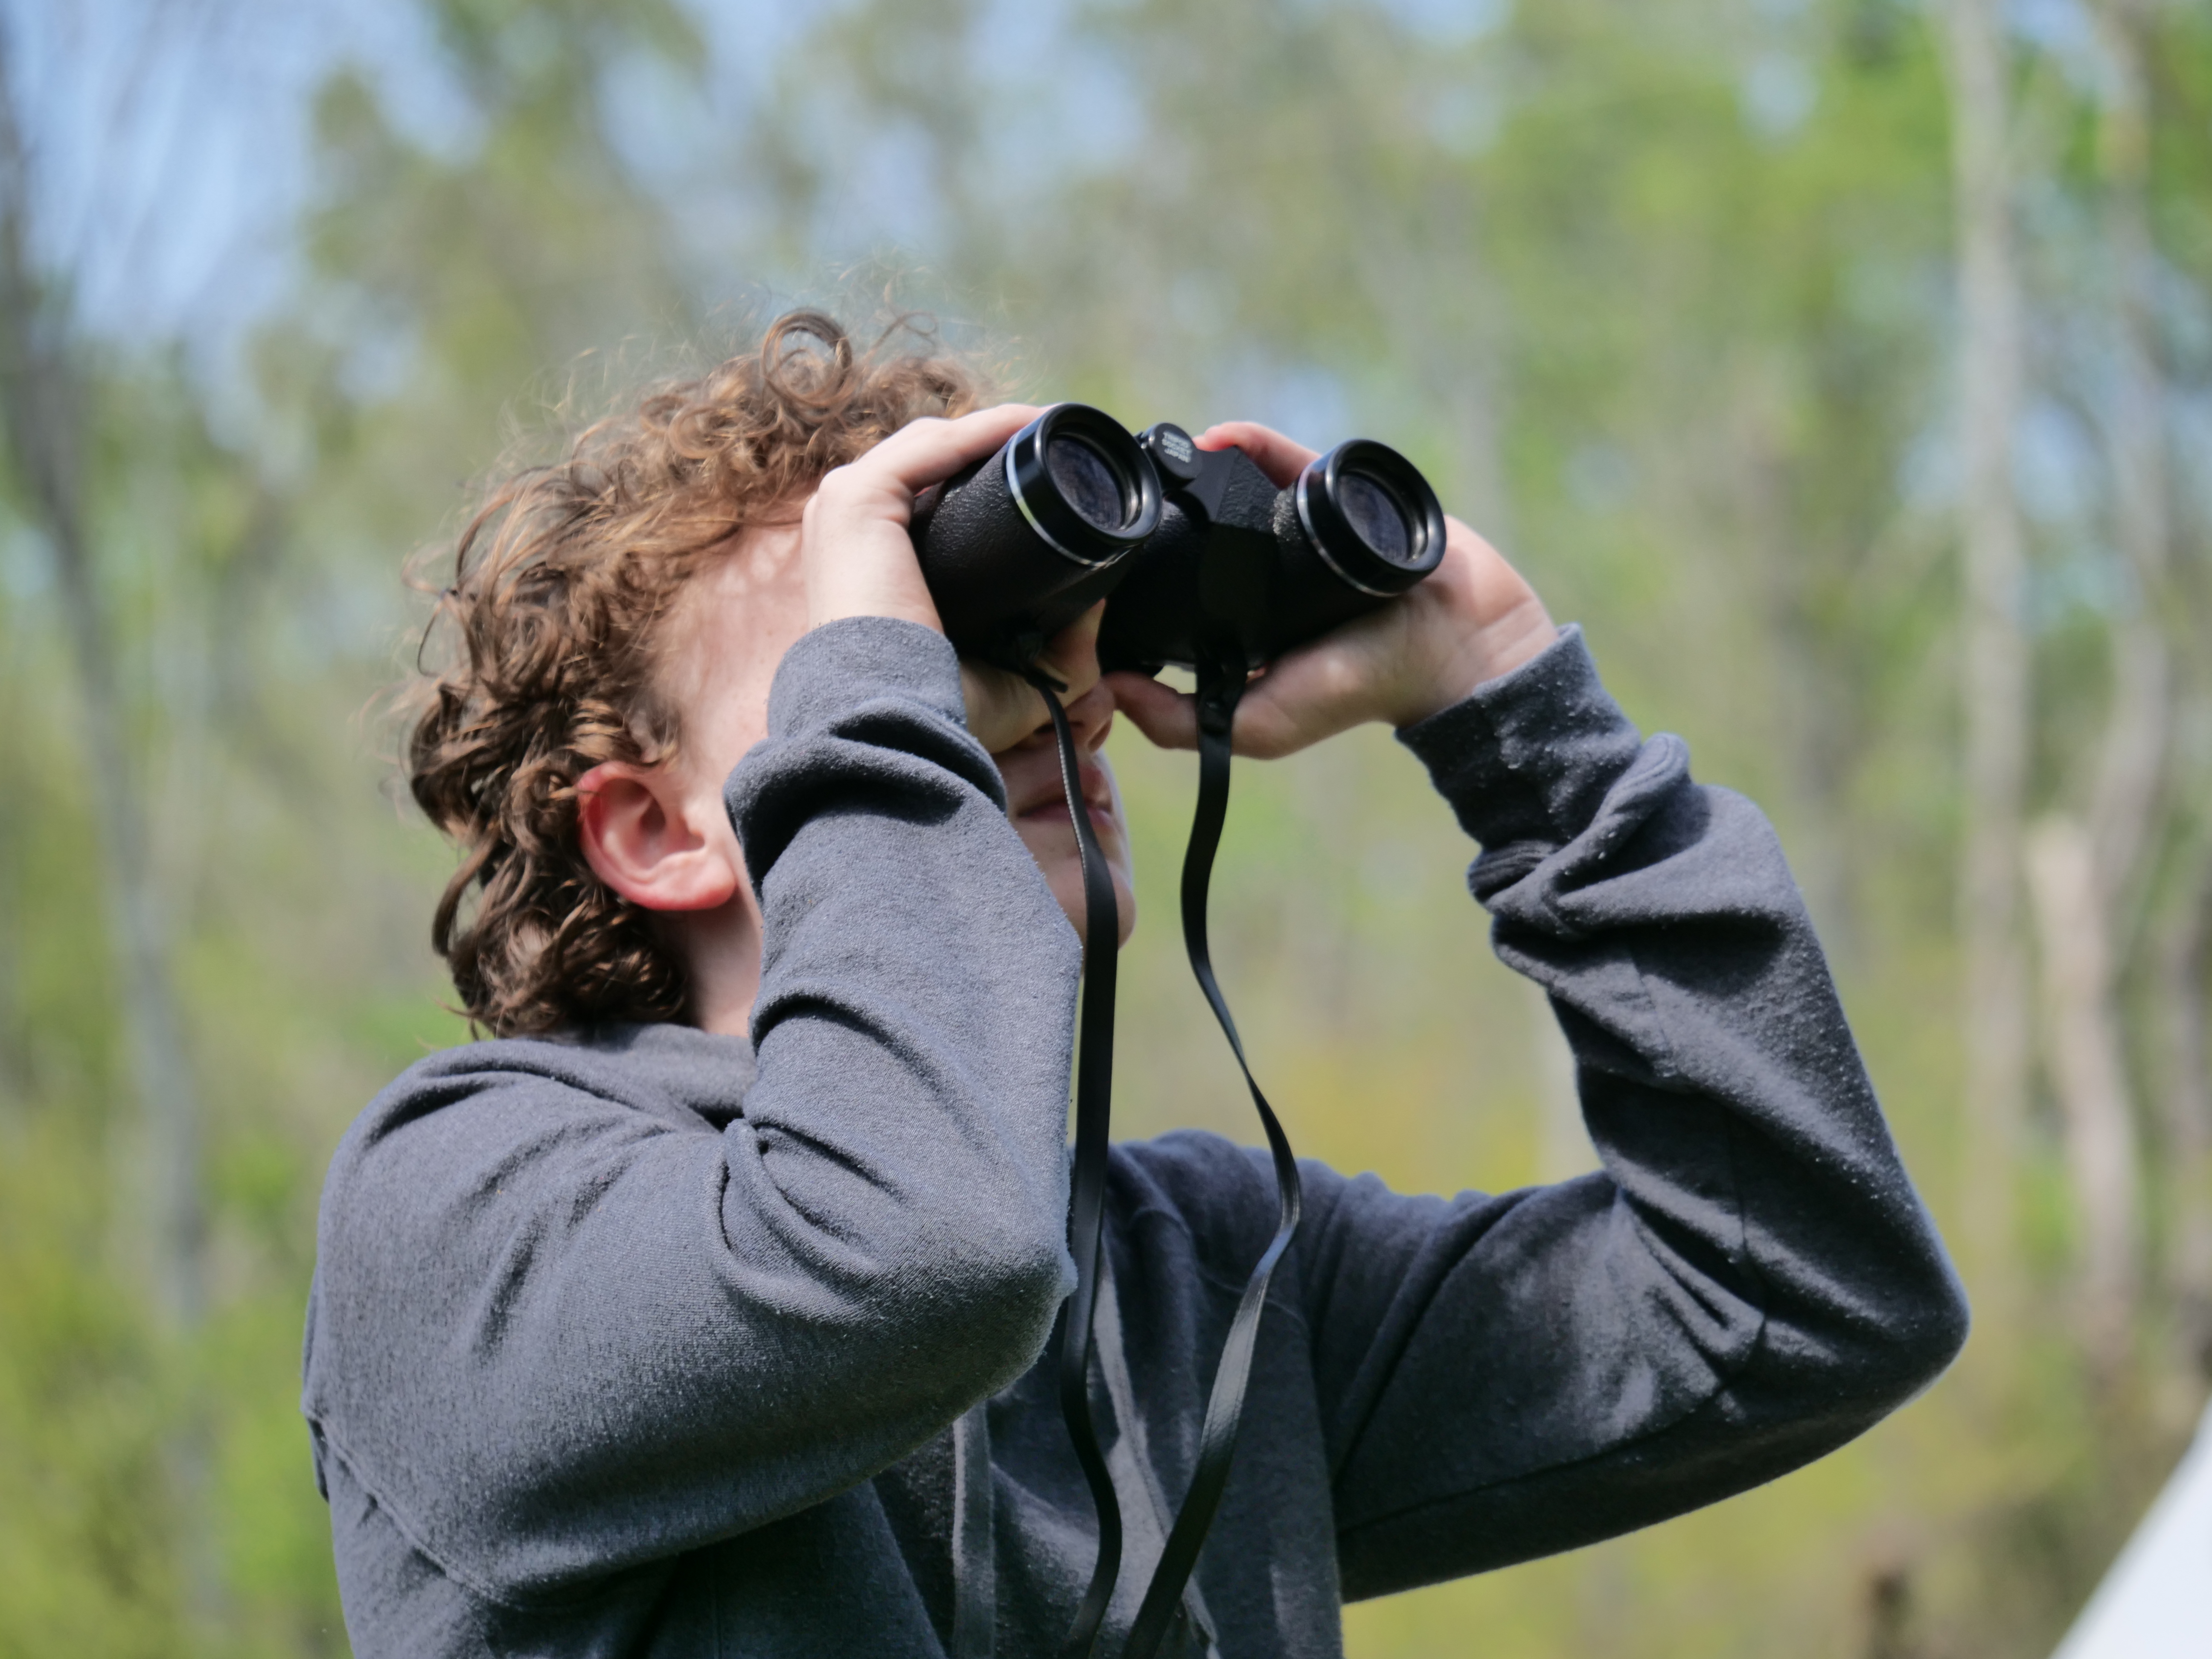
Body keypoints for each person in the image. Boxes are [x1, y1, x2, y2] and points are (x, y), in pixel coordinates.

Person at [303, 311, 1969, 1658]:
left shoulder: (1210, 1274)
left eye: (1047, 644)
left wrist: (1513, 712)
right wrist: (887, 696)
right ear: (656, 832)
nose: (1056, 702)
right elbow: (912, 1251)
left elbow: (1802, 1305)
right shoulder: (462, 1208)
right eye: (904, 644)